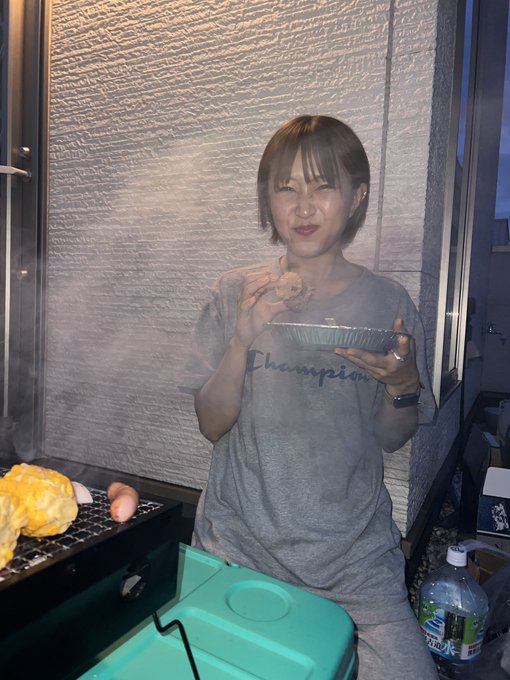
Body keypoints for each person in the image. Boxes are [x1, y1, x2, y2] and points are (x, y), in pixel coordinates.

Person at [183, 115, 439, 679]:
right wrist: (242, 341)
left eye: (323, 186)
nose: (303, 207)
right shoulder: (236, 292)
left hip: (355, 566)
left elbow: (391, 437)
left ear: (356, 197)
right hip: (235, 549)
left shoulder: (387, 303)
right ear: (268, 199)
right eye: (286, 188)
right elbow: (211, 424)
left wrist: (402, 387)